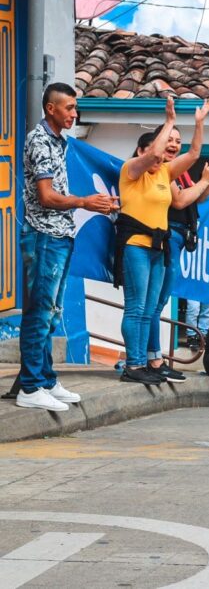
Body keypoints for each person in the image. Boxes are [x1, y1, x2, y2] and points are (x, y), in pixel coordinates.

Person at [16, 82, 119, 411]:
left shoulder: (59, 142)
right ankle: (30, 386)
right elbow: (46, 196)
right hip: (44, 235)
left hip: (61, 234)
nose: (74, 114)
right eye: (69, 108)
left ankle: (44, 379)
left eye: (75, 109)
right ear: (51, 109)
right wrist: (85, 202)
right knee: (40, 312)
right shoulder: (39, 140)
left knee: (52, 313)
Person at [116, 97, 203, 385]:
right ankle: (134, 363)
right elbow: (154, 155)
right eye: (162, 144)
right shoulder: (131, 170)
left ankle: (143, 363)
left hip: (157, 248)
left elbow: (193, 154)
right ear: (143, 150)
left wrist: (199, 122)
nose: (164, 152)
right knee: (137, 306)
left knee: (150, 308)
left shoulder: (165, 173)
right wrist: (168, 122)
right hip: (135, 246)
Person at [144, 98, 209, 360]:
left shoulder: (178, 171)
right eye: (169, 139)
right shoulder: (159, 171)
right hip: (165, 239)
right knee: (155, 304)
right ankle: (152, 357)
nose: (173, 144)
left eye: (177, 141)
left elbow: (199, 197)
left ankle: (154, 357)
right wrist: (204, 181)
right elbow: (180, 199)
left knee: (159, 301)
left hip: (179, 241)